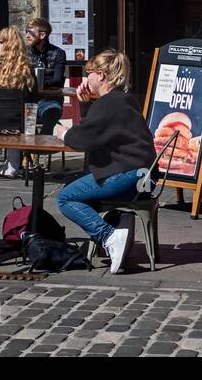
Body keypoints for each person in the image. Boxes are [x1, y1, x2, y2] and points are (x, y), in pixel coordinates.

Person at [52, 49, 155, 274]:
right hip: (142, 176)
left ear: (101, 75)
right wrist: (87, 103)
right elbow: (98, 130)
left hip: (126, 175)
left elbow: (83, 139)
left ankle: (109, 236)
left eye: (90, 73)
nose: (87, 78)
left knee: (66, 197)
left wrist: (61, 132)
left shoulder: (110, 103)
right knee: (78, 185)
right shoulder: (122, 99)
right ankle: (119, 223)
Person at [0, 24, 40, 177]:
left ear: (8, 45)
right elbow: (33, 98)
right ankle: (13, 165)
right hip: (18, 125)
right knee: (20, 124)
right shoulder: (27, 70)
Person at [25, 19, 67, 135]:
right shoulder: (24, 53)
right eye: (26, 32)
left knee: (52, 113)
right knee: (21, 121)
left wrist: (37, 84)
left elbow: (57, 80)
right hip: (28, 100)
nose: (27, 35)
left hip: (50, 100)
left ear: (42, 35)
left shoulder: (58, 53)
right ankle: (27, 149)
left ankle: (42, 147)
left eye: (31, 33)